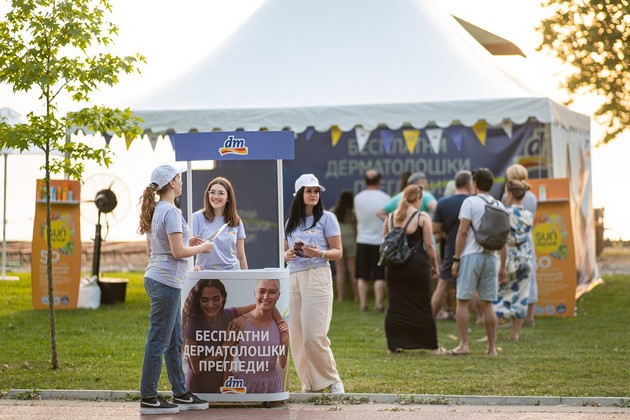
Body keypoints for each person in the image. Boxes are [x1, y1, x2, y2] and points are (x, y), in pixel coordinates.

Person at [137, 163, 213, 415]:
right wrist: (200, 249)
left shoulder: (158, 209)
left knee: (173, 341)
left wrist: (187, 241)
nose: (182, 182)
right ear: (171, 183)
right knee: (159, 340)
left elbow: (161, 247)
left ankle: (180, 392)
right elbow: (178, 252)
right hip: (165, 282)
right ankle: (148, 397)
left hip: (160, 278)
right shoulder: (170, 212)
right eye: (179, 178)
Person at [283, 173, 345, 394]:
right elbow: (284, 251)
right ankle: (309, 383)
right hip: (294, 278)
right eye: (309, 191)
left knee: (314, 334)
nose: (313, 195)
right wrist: (288, 254)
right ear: (300, 194)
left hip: (318, 274)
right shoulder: (290, 221)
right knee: (296, 336)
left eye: (316, 191)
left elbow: (338, 252)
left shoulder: (328, 218)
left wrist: (318, 252)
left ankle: (332, 380)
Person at [451, 168, 507, 357]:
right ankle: (491, 348)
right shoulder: (499, 204)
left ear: (474, 183)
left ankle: (464, 344)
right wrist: (504, 265)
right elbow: (503, 239)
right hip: (492, 257)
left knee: (463, 300)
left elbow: (462, 232)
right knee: (488, 303)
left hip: (470, 255)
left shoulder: (470, 202)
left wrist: (456, 258)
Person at [381, 185, 444, 354]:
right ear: (418, 199)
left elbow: (384, 243)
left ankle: (394, 344)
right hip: (416, 265)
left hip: (394, 267)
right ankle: (432, 345)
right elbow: (430, 246)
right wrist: (435, 267)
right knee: (422, 303)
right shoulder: (422, 217)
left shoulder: (390, 217)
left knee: (395, 304)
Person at [181, 279, 255, 393]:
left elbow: (261, 306)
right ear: (198, 300)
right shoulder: (193, 322)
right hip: (197, 390)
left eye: (216, 299)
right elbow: (197, 368)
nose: (210, 305)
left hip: (219, 388)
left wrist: (242, 318)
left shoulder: (229, 314)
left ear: (223, 297)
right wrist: (225, 346)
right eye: (205, 300)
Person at [230, 279, 289, 393]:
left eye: (272, 292)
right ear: (254, 293)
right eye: (261, 291)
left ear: (278, 295)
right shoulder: (239, 322)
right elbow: (227, 360)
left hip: (273, 386)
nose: (266, 296)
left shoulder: (280, 325)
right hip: (243, 385)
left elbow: (282, 364)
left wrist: (285, 341)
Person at [494, 180, 534, 342]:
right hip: (525, 257)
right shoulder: (528, 214)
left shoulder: (506, 214)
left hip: (509, 257)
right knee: (521, 294)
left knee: (499, 294)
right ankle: (514, 334)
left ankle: (492, 335)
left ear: (509, 194)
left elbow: (503, 239)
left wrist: (501, 265)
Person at [431, 171, 473, 319]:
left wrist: (448, 228)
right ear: (469, 184)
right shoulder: (473, 201)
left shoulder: (443, 202)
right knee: (475, 288)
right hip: (472, 249)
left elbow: (434, 228)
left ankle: (431, 318)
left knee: (442, 286)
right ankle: (480, 318)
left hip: (451, 250)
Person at [503, 163, 538, 326]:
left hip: (513, 240)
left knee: (513, 280)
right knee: (530, 277)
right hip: (527, 238)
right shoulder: (532, 196)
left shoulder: (508, 197)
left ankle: (511, 314)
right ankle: (529, 316)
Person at [353, 169, 390, 312]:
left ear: (365, 181)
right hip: (379, 240)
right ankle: (378, 304)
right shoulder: (385, 198)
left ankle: (362, 304)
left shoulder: (358, 198)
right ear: (379, 181)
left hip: (362, 239)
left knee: (362, 275)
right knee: (379, 274)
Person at [191, 177, 247, 270]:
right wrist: (191, 267)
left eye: (221, 193)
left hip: (233, 273)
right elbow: (185, 247)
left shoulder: (236, 220)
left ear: (228, 197)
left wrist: (246, 280)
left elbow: (241, 257)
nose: (216, 197)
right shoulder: (196, 218)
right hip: (205, 275)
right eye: (212, 192)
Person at [330, 190, 358, 302]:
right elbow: (356, 229)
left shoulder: (333, 211)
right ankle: (357, 296)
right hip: (351, 240)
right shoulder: (353, 212)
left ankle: (340, 297)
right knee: (353, 270)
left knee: (340, 270)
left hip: (338, 241)